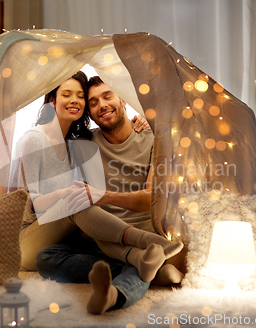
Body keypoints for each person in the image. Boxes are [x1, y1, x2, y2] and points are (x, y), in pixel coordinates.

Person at [13, 72, 183, 283]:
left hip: (74, 231)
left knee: (83, 215)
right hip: (31, 235)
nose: (75, 100)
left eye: (80, 96)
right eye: (67, 94)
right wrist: (66, 194)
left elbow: (151, 196)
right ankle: (147, 252)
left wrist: (146, 119)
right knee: (76, 205)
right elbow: (25, 204)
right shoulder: (37, 140)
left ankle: (143, 264)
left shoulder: (74, 142)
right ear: (52, 101)